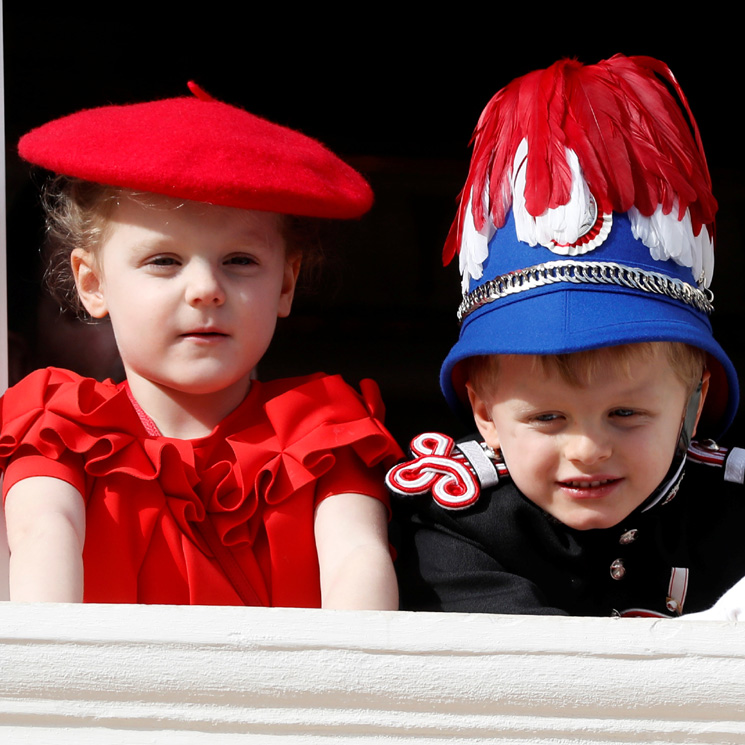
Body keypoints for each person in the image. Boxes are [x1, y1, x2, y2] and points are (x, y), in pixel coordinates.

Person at [1, 82, 402, 608]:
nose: (206, 289)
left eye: (239, 260)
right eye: (163, 261)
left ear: (286, 283)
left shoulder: (326, 428)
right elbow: (42, 542)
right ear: (92, 283)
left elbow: (358, 559)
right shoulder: (58, 425)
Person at [390, 55, 745, 619]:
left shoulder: (729, 510)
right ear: (484, 414)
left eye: (626, 413)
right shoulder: (452, 526)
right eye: (547, 418)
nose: (587, 450)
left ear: (693, 402)